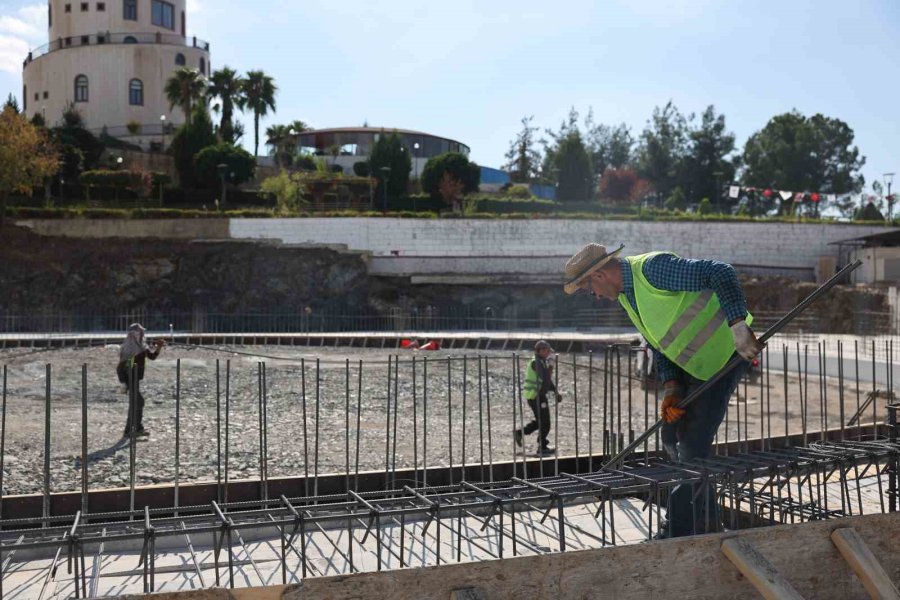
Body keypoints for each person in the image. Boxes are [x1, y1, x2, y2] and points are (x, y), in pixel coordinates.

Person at [563, 243, 763, 538]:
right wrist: (671, 388)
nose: (592, 295)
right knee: (670, 436)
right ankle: (708, 520)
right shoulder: (627, 298)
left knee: (693, 446)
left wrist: (737, 324)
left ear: (600, 275)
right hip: (694, 367)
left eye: (587, 288)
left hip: (727, 355)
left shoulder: (653, 270)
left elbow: (720, 272)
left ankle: (677, 530)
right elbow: (659, 343)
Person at [514, 340, 563, 457]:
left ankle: (520, 433)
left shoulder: (541, 361)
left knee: (541, 420)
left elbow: (547, 381)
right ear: (539, 351)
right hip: (536, 396)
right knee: (545, 422)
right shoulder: (536, 362)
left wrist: (555, 392)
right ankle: (542, 447)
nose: (547, 353)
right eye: (545, 350)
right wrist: (551, 366)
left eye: (548, 351)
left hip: (537, 395)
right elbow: (545, 377)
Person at [117, 323, 165, 438]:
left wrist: (158, 347)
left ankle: (135, 429)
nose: (143, 334)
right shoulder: (129, 348)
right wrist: (124, 383)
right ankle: (132, 430)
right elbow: (122, 367)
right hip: (131, 379)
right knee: (137, 402)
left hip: (136, 378)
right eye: (140, 332)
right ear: (134, 334)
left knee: (136, 403)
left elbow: (152, 357)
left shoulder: (142, 346)